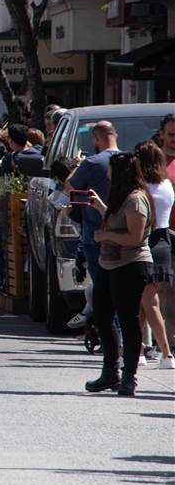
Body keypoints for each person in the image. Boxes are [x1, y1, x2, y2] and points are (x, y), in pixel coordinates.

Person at [84, 152, 153, 396]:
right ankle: (110, 371)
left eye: (111, 169)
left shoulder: (136, 199)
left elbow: (134, 238)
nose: (107, 174)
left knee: (128, 319)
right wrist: (101, 207)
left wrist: (106, 236)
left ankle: (129, 376)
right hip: (109, 264)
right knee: (102, 315)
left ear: (120, 172)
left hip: (131, 265)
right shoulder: (120, 196)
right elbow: (117, 222)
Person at [66, 121, 121, 325]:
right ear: (115, 135)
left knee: (102, 285)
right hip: (128, 234)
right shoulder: (131, 160)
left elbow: (71, 189)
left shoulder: (92, 163)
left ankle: (111, 335)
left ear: (96, 138)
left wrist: (77, 166)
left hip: (96, 235)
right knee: (123, 288)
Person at [133, 141, 174, 369]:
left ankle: (166, 354)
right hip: (164, 242)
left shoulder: (143, 188)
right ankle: (136, 350)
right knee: (144, 303)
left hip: (148, 241)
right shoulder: (167, 185)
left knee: (149, 301)